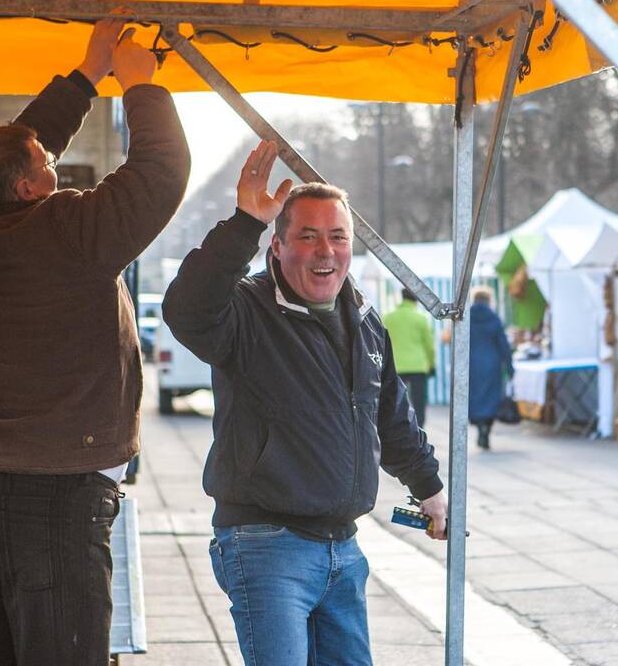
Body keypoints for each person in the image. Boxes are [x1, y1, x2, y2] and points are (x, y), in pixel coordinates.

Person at [0, 18, 190, 664]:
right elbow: (161, 171)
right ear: (29, 189)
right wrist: (138, 86)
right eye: (47, 167)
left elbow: (9, 154)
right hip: (51, 499)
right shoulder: (70, 234)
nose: (53, 168)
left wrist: (84, 74)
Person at [162, 140, 447, 666]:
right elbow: (187, 310)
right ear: (277, 246)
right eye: (308, 237)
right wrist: (244, 222)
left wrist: (429, 488)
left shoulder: (364, 319)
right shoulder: (245, 310)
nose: (325, 251)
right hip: (266, 544)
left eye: (338, 237)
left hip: (344, 549)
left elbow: (391, 418)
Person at [382, 287, 436, 427]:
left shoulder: (388, 317)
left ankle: (396, 428)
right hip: (418, 366)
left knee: (396, 401)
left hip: (396, 366)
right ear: (417, 299)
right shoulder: (421, 318)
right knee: (419, 401)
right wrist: (431, 365)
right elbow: (429, 346)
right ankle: (419, 429)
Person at [468, 287, 514, 450]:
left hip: (471, 363)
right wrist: (509, 366)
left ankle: (479, 425)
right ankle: (486, 428)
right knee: (491, 397)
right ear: (488, 300)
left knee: (474, 396)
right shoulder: (494, 318)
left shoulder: (467, 317)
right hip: (492, 363)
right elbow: (503, 344)